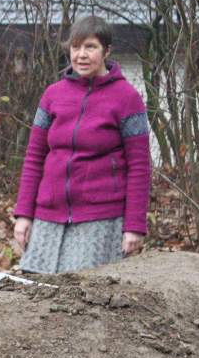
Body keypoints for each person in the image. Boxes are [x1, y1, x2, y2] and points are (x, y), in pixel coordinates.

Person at [11, 15, 151, 273]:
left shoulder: (127, 99)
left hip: (100, 219)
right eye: (75, 47)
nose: (81, 55)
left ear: (106, 51)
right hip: (48, 217)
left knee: (82, 291)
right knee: (34, 289)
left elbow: (140, 166)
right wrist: (24, 214)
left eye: (90, 47)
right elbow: (34, 157)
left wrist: (134, 225)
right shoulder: (52, 95)